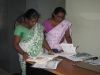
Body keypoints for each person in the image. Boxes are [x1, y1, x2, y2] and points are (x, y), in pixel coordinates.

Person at [13, 9, 53, 75]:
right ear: (26, 19)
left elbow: (42, 39)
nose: (35, 23)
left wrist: (49, 49)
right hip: (27, 56)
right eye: (32, 21)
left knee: (39, 72)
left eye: (36, 21)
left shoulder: (38, 27)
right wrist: (23, 53)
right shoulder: (19, 28)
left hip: (39, 56)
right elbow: (15, 44)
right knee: (29, 72)